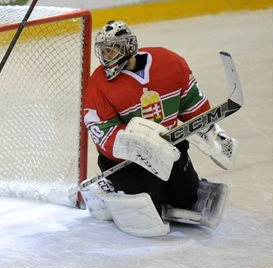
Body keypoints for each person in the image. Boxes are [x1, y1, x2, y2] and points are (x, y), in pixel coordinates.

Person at [81, 21, 238, 237]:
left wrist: (211, 132)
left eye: (112, 49)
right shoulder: (99, 84)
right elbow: (100, 130)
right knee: (150, 207)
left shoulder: (169, 62)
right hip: (128, 162)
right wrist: (135, 140)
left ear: (128, 47)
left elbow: (193, 105)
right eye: (104, 51)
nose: (107, 56)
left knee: (187, 199)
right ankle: (107, 186)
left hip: (169, 149)